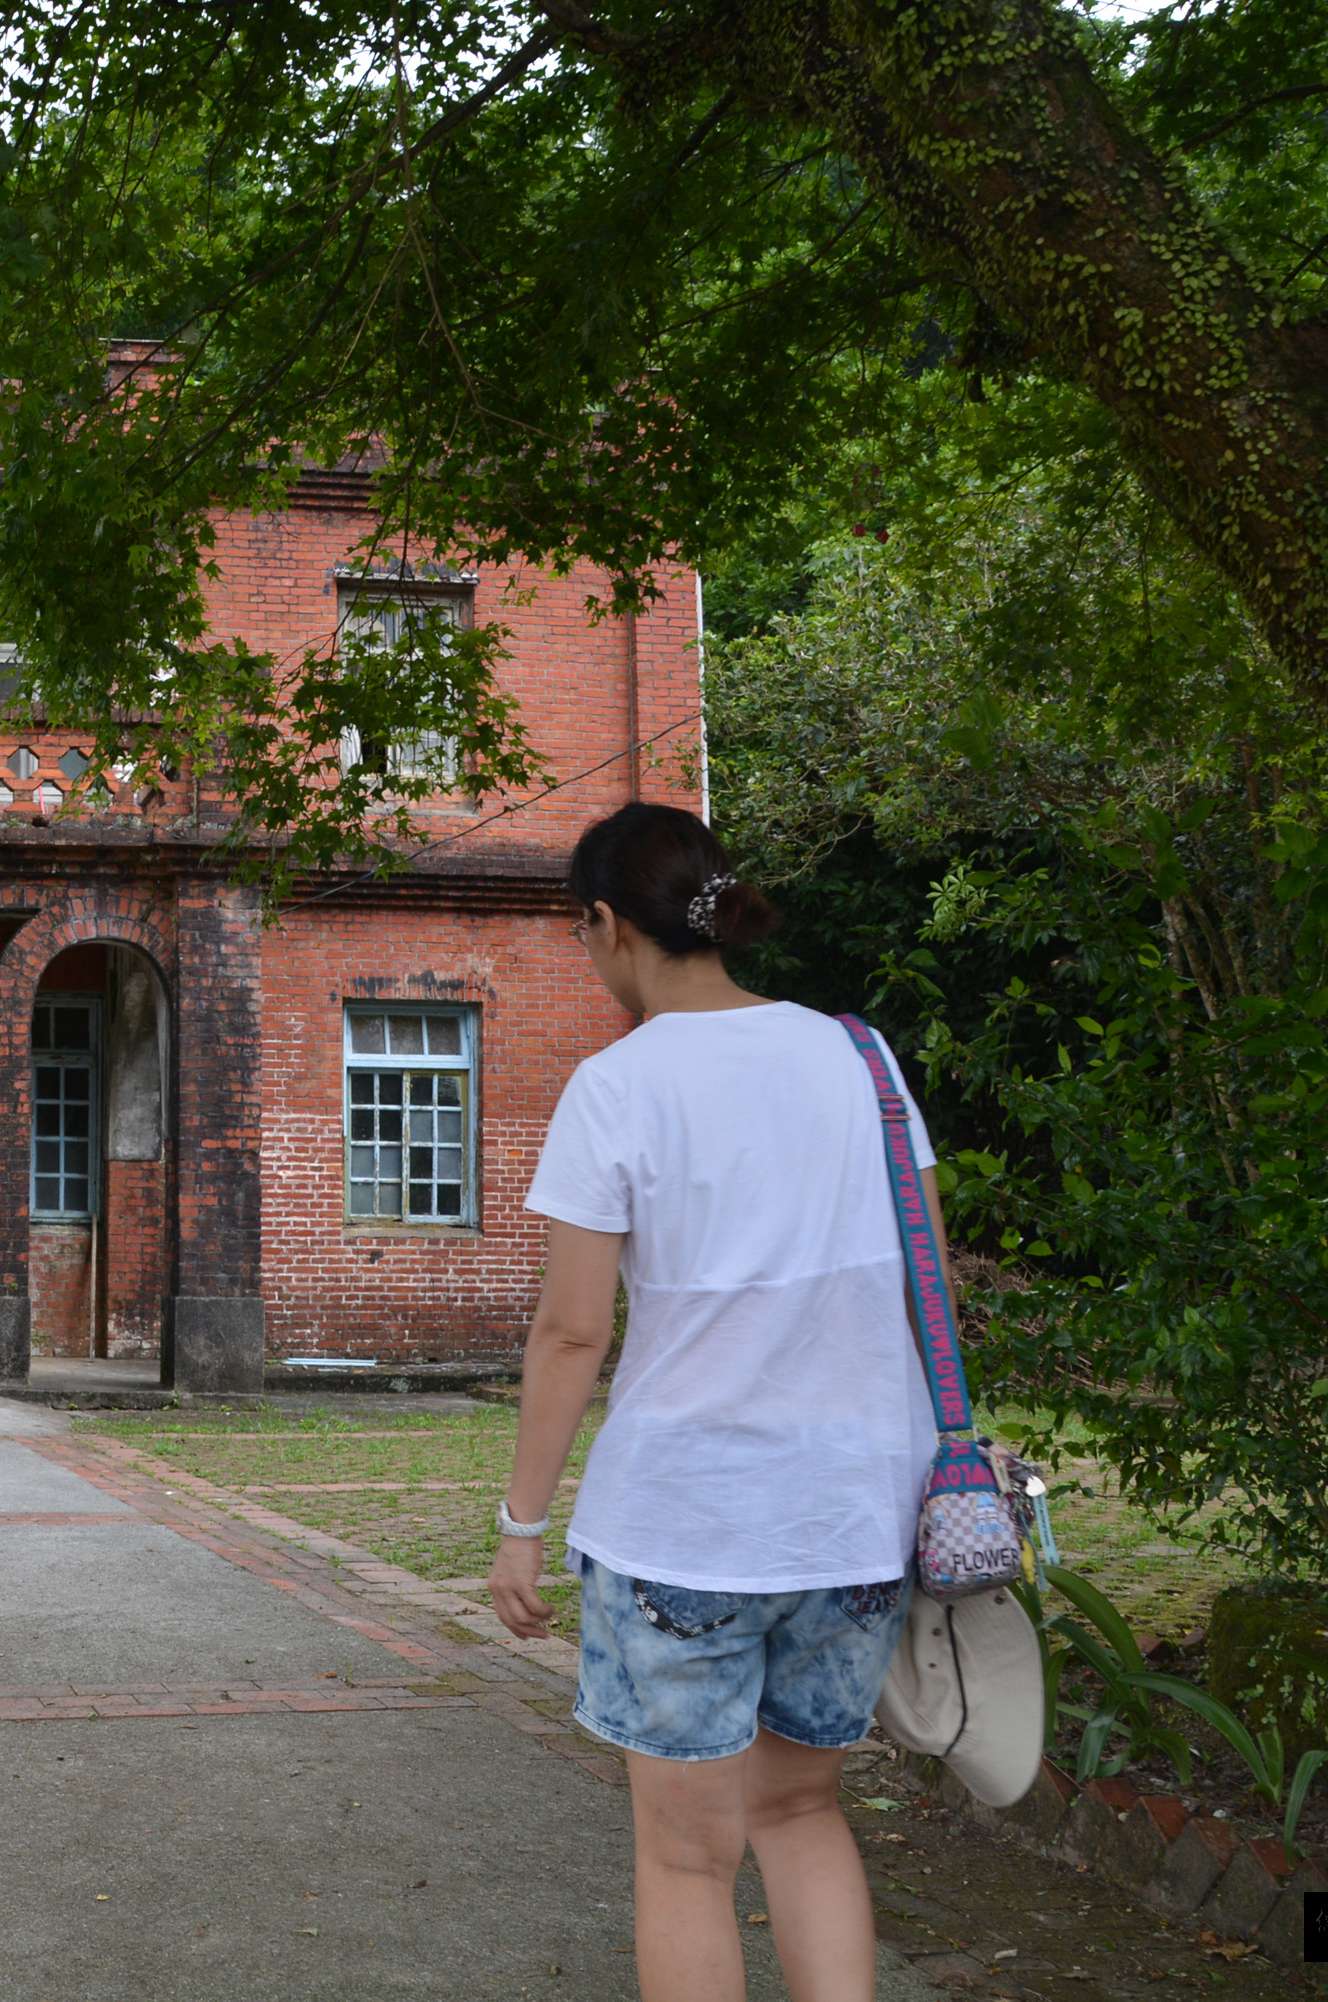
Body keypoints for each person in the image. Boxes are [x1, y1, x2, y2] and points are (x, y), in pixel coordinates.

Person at [485, 801, 942, 2002]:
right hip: (855, 1518)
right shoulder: (861, 1057)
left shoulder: (616, 1086)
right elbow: (924, 1279)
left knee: (688, 1855)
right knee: (801, 1811)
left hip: (686, 1520)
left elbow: (574, 1329)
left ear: (605, 924)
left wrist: (522, 1523)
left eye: (582, 936)